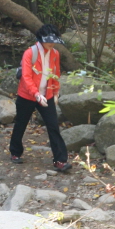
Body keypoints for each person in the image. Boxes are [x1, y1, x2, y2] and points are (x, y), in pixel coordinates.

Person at [9, 23, 71, 172]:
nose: (51, 44)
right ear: (41, 39)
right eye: (49, 41)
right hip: (27, 95)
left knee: (53, 126)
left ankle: (60, 160)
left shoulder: (55, 54)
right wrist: (36, 94)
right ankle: (15, 152)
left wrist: (55, 92)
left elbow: (55, 73)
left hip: (47, 94)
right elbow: (26, 77)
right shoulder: (30, 53)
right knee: (21, 123)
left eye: (54, 41)